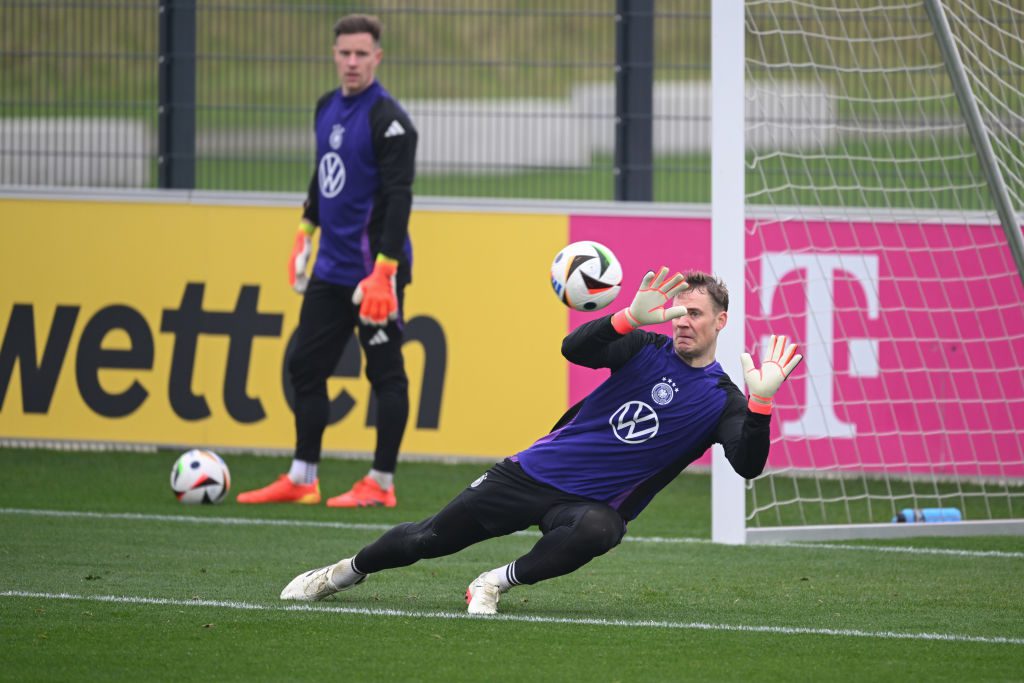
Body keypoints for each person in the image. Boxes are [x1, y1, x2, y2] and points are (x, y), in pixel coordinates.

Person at [279, 268, 802, 613]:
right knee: (428, 539)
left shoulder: (726, 399)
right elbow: (574, 349)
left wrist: (761, 405)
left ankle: (493, 583)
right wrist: (624, 318)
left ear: (721, 322)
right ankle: (343, 573)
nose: (683, 322)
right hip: (531, 473)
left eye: (695, 314)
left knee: (601, 530)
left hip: (589, 505)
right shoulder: (642, 346)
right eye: (679, 311)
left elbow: (748, 464)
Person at [237, 14, 417, 508]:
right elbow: (324, 178)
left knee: (385, 375)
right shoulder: (325, 107)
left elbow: (399, 198)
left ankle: (380, 482)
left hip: (373, 274)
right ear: (334, 54)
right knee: (304, 366)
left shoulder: (391, 121)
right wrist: (304, 231)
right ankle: (302, 477)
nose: (352, 62)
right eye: (345, 53)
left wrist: (384, 272)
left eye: (362, 53)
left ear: (378, 57)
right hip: (330, 270)